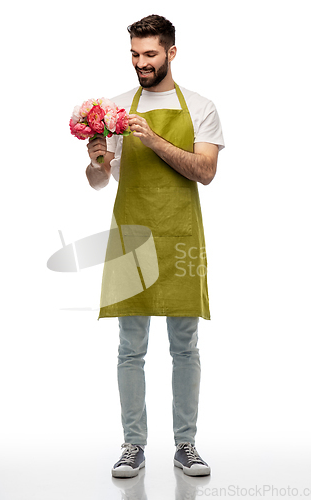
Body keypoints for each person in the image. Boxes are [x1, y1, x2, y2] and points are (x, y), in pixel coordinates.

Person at [86, 14, 225, 478]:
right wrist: (97, 161)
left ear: (171, 52)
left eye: (149, 54)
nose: (141, 63)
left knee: (185, 344)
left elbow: (204, 171)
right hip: (131, 234)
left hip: (181, 234)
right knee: (131, 346)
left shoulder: (202, 106)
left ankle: (186, 444)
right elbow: (98, 182)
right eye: (134, 54)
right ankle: (133, 444)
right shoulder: (114, 108)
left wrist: (151, 136)